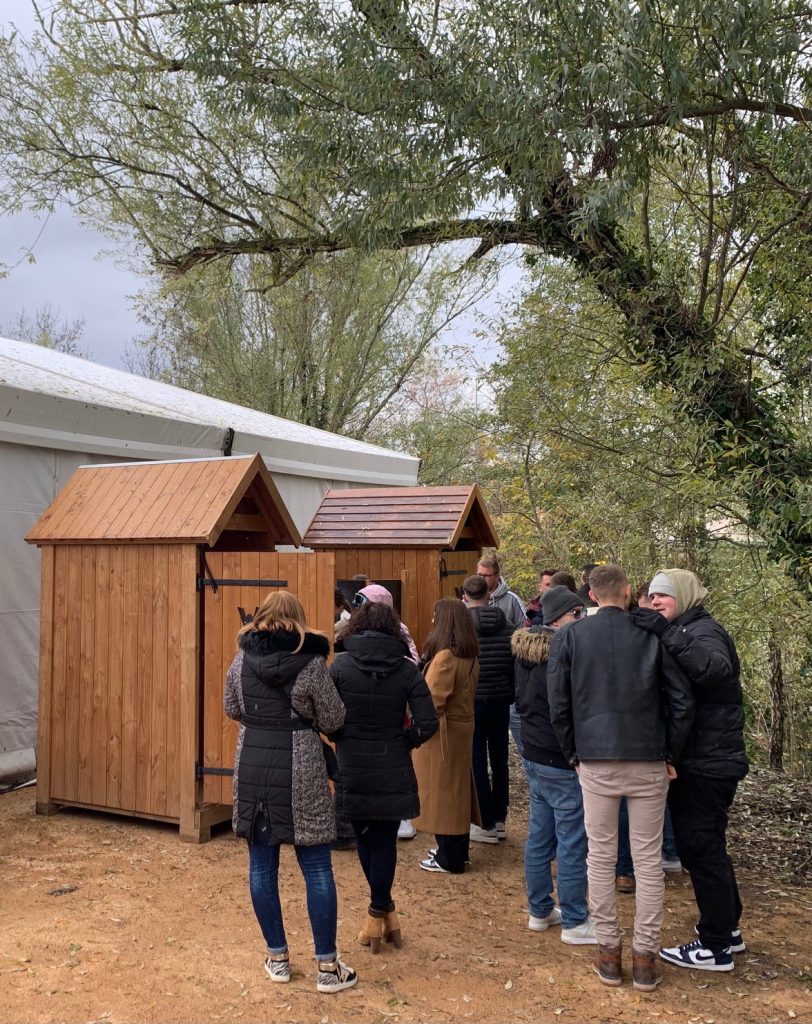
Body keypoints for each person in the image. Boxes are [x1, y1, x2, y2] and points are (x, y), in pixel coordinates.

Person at [548, 564, 694, 992]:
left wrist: (572, 751)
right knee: (647, 862)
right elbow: (680, 700)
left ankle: (609, 952)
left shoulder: (571, 637)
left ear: (591, 596)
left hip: (595, 758)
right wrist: (671, 753)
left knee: (601, 855)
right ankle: (644, 957)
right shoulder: (651, 634)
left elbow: (559, 701)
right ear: (629, 593)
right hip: (647, 757)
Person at [224, 591, 357, 994]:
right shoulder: (313, 664)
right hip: (300, 769)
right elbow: (334, 718)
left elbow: (231, 707)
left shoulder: (240, 661)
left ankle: (277, 958)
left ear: (261, 618)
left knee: (262, 866)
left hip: (253, 769)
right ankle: (327, 968)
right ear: (299, 620)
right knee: (316, 867)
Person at [630, 569, 749, 973]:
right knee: (709, 845)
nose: (658, 601)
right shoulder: (689, 627)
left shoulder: (702, 630)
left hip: (707, 762)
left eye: (665, 595)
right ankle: (727, 929)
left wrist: (667, 634)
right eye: (654, 596)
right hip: (708, 758)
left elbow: (714, 670)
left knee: (701, 849)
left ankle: (715, 946)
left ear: (684, 595)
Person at [330, 601, 438, 952]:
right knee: (384, 842)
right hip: (393, 763)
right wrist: (401, 741)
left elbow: (328, 715)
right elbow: (428, 723)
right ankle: (383, 910)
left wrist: (340, 737)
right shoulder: (408, 670)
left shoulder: (341, 666)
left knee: (364, 840)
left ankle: (378, 911)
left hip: (352, 763)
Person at [513, 585, 596, 946]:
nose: (581, 622)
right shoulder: (564, 656)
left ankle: (540, 910)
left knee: (540, 834)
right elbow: (568, 708)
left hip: (533, 754)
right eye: (577, 616)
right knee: (571, 839)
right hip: (560, 759)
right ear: (562, 618)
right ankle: (576, 918)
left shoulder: (523, 652)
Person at [339, 582, 420, 840]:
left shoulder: (398, 631)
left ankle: (401, 819)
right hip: (379, 705)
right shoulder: (360, 627)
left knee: (389, 767)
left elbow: (412, 660)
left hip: (388, 704)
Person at [412, 598, 480, 874]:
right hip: (461, 730)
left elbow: (432, 701)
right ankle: (456, 851)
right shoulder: (470, 653)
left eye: (435, 617)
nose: (431, 622)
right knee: (458, 792)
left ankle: (448, 856)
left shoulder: (446, 657)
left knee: (444, 797)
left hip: (443, 735)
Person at [462, 574, 515, 843]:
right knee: (500, 760)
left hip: (473, 702)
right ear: (489, 594)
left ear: (465, 597)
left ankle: (485, 822)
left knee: (477, 762)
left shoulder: (463, 631)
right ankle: (500, 819)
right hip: (501, 702)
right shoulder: (508, 629)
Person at [476, 554, 526, 628]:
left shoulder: (512, 600)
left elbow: (524, 628)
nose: (482, 579)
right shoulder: (469, 599)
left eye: (486, 576)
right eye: (479, 575)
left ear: (497, 577)